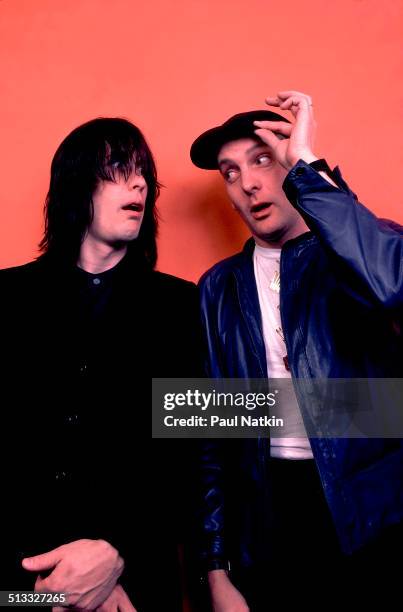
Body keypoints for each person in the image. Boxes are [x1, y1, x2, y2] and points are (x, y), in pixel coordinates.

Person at [189, 90, 403, 610]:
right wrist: (216, 567)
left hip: (372, 518)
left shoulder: (354, 253)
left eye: (262, 160)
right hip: (269, 524)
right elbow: (211, 435)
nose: (248, 184)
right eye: (230, 172)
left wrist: (307, 166)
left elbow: (390, 283)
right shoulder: (218, 287)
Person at [0, 117, 201, 611]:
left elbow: (196, 454)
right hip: (20, 589)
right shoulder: (4, 300)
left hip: (135, 590)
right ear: (75, 183)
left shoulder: (183, 307)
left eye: (144, 176)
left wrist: (115, 554)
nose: (138, 184)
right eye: (118, 169)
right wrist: (49, 583)